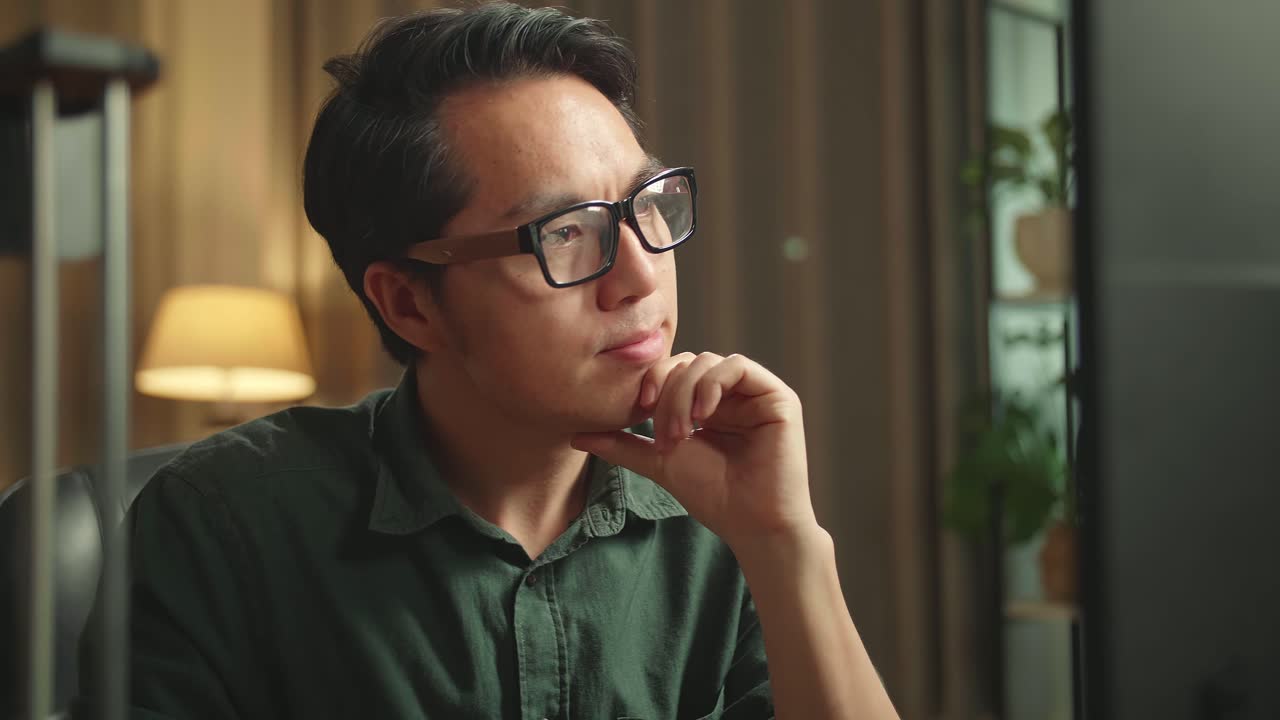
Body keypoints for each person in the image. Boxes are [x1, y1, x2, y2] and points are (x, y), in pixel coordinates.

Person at [77, 4, 898, 718]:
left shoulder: (718, 514)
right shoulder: (230, 521)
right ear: (409, 302)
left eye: (645, 206)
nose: (641, 276)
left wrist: (787, 546)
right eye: (566, 233)